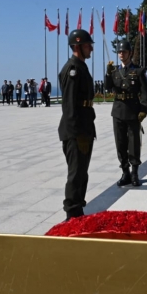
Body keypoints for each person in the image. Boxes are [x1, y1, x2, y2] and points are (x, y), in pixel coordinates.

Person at [58, 29, 96, 220]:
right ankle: (72, 213)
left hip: (85, 128)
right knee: (75, 173)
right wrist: (76, 133)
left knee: (82, 172)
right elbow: (70, 105)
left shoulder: (81, 66)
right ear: (78, 46)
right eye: (88, 45)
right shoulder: (72, 69)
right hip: (76, 131)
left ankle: (78, 208)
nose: (91, 48)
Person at [105, 40, 147, 187]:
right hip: (118, 110)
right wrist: (108, 73)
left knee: (134, 143)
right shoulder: (115, 71)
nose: (121, 54)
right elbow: (107, 87)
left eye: (123, 52)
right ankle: (125, 172)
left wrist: (144, 110)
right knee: (120, 143)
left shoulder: (138, 71)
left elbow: (145, 92)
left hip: (132, 110)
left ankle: (135, 172)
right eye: (119, 52)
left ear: (129, 53)